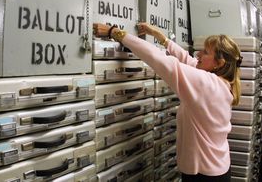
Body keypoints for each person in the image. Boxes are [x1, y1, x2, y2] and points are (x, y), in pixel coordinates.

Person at [93, 22, 242, 182]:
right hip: (216, 167)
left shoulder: (207, 84)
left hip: (204, 175)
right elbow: (188, 60)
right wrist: (160, 37)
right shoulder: (223, 83)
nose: (198, 54)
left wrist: (115, 32)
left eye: (205, 52)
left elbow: (160, 60)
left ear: (219, 64)